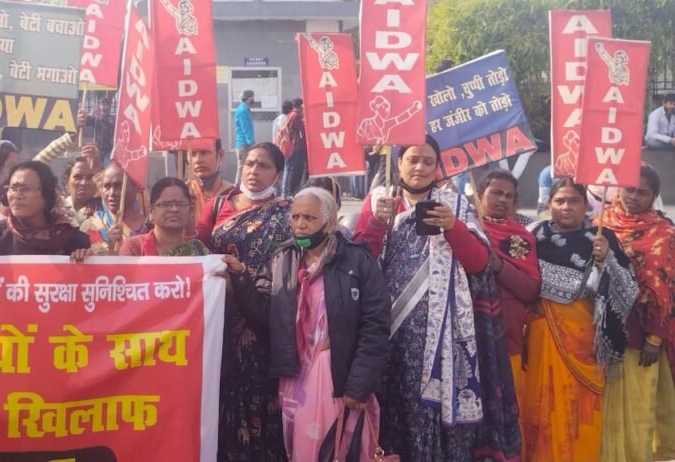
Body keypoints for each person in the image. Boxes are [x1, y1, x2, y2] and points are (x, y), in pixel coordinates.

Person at [353, 136, 520, 461]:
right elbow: (358, 261)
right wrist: (375, 223)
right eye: (412, 159)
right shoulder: (379, 200)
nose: (419, 167)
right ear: (399, 163)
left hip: (437, 334)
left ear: (437, 167)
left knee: (425, 408)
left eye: (427, 161)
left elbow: (479, 264)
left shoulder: (453, 204)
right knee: (386, 405)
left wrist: (452, 227)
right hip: (383, 328)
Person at [229, 187, 390, 461]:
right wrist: (242, 276)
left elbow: (375, 325)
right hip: (295, 378)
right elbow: (264, 316)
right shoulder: (283, 259)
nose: (300, 224)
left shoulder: (357, 260)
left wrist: (359, 384)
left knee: (339, 450)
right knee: (301, 450)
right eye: (295, 217)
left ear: (330, 221)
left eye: (309, 218)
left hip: (339, 379)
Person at [523, 178, 638, 462]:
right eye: (559, 201)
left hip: (584, 340)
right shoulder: (532, 235)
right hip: (541, 333)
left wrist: (607, 258)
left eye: (573, 201)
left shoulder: (601, 237)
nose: (566, 207)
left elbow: (628, 288)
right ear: (549, 204)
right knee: (540, 401)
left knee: (582, 407)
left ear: (585, 204)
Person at [196, 142, 290, 462]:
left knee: (262, 397)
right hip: (220, 319)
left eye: (264, 166)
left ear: (278, 173)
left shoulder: (288, 212)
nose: (254, 171)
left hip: (265, 320)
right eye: (250, 163)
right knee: (220, 394)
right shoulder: (218, 205)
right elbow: (196, 252)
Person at [600, 165, 675, 461]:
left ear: (653, 196)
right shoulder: (599, 223)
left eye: (642, 192)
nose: (633, 196)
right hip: (602, 330)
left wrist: (655, 338)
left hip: (641, 333)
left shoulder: (665, 233)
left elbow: (668, 290)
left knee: (638, 406)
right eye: (629, 189)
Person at [476, 169, 541, 441]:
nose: (502, 200)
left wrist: (499, 266)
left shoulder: (521, 237)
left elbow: (530, 289)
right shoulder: (463, 228)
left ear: (515, 203)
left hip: (507, 341)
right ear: (479, 195)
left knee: (507, 422)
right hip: (469, 342)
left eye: (509, 196)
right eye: (496, 193)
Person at [0, 161, 90, 256]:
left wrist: (86, 260)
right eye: (13, 188)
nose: (17, 195)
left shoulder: (73, 241)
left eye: (25, 189)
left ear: (46, 195)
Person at [116, 178, 208, 257]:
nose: (174, 209)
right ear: (152, 210)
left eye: (180, 204)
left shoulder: (198, 251)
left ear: (191, 210)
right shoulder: (135, 248)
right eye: (165, 204)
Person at [79, 163, 147, 255]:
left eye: (118, 186)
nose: (112, 193)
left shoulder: (152, 227)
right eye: (107, 186)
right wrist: (111, 249)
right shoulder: (90, 227)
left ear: (136, 187)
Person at [186, 139, 233, 229]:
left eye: (204, 152)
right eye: (193, 154)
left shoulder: (234, 195)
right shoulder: (183, 194)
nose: (198, 160)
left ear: (220, 154)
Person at [62, 156, 103, 223]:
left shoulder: (106, 212)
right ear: (67, 181)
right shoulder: (57, 211)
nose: (84, 183)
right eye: (78, 177)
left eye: (90, 177)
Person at [283, 98, 308, 196]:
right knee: (296, 169)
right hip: (297, 146)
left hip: (292, 146)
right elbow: (301, 130)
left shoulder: (290, 115)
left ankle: (288, 191)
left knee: (290, 168)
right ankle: (292, 191)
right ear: (300, 105)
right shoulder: (296, 116)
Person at [234, 90, 256, 185]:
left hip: (244, 143)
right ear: (249, 98)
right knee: (242, 166)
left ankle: (241, 185)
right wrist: (251, 142)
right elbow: (245, 128)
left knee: (244, 165)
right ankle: (237, 186)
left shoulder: (244, 109)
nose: (253, 99)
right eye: (253, 97)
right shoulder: (243, 110)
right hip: (243, 143)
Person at [85, 96, 115, 165]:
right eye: (101, 105)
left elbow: (109, 124)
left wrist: (100, 116)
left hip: (108, 150)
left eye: (105, 105)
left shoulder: (112, 118)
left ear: (109, 106)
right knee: (96, 168)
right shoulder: (95, 118)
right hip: (97, 149)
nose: (103, 107)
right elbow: (86, 122)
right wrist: (90, 114)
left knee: (107, 168)